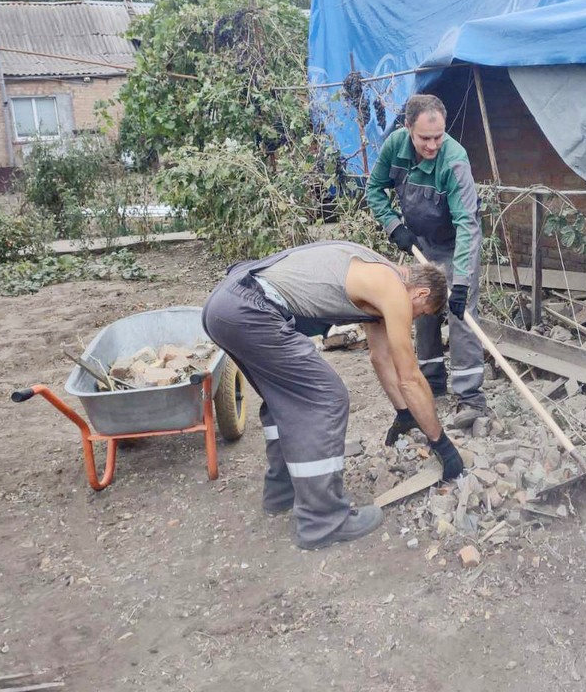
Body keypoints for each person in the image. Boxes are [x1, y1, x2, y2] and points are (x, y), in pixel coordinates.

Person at [202, 240, 462, 551]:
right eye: (422, 313)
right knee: (327, 399)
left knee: (282, 399)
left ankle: (282, 492)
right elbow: (410, 377)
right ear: (420, 293)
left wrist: (404, 413)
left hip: (225, 305)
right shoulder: (392, 289)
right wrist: (442, 445)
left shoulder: (377, 277)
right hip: (252, 310)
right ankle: (323, 522)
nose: (415, 319)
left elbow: (382, 358)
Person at [366, 93, 488, 429]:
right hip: (419, 244)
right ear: (408, 128)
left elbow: (467, 225)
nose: (433, 145)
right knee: (421, 310)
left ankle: (470, 397)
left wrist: (460, 281)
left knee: (461, 316)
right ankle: (433, 382)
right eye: (425, 138)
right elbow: (374, 189)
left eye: (438, 137)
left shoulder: (455, 161)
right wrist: (395, 228)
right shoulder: (394, 148)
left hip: (455, 245)